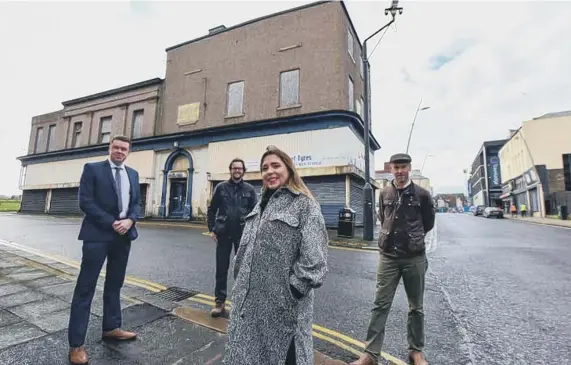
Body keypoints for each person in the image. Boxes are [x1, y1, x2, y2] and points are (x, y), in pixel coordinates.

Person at [224, 146, 329, 365]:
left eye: (275, 165)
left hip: (283, 311)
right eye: (264, 168)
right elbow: (244, 251)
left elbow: (315, 264)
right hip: (249, 309)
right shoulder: (259, 206)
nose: (269, 171)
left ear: (289, 169)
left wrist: (290, 293)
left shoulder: (305, 206)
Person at [351, 153, 435, 365]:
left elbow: (428, 222)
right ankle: (370, 354)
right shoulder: (385, 193)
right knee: (380, 304)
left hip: (414, 257)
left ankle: (416, 352)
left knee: (416, 307)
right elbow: (383, 218)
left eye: (403, 167)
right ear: (391, 169)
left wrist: (413, 238)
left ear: (409, 168)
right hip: (388, 257)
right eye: (396, 167)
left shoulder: (422, 195)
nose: (399, 171)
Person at [68, 135, 141, 365]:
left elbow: (137, 203)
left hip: (123, 236)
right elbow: (85, 202)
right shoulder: (92, 169)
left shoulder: (133, 174)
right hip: (97, 235)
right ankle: (76, 345)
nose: (120, 151)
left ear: (128, 152)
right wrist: (112, 222)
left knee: (115, 284)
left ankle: (111, 327)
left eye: (124, 149)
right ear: (110, 148)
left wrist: (130, 220)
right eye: (116, 147)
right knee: (85, 288)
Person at [207, 158, 257, 317]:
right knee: (221, 269)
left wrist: (252, 232)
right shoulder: (221, 188)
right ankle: (219, 303)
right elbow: (212, 209)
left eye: (240, 169)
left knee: (242, 270)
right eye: (234, 168)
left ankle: (241, 304)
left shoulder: (249, 189)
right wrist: (212, 229)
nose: (237, 171)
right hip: (223, 233)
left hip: (242, 234)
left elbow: (255, 213)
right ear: (230, 170)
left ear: (243, 171)